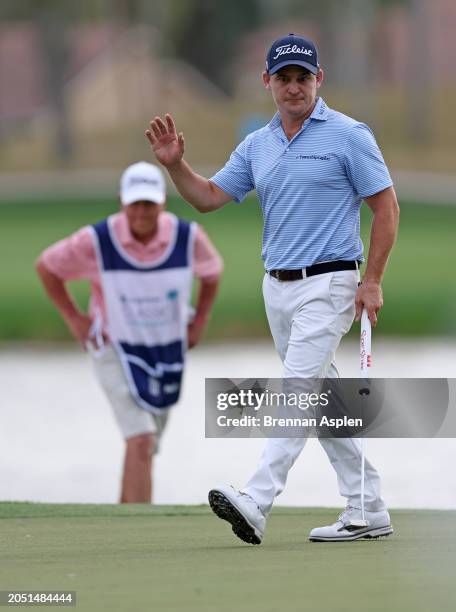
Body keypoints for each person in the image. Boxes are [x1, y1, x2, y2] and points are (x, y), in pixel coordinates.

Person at [145, 33, 399, 542]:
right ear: (268, 83)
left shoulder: (349, 135)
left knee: (298, 393)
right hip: (277, 288)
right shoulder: (257, 145)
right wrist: (175, 166)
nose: (293, 87)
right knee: (324, 398)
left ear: (318, 80)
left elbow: (386, 208)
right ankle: (367, 507)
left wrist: (372, 280)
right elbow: (209, 197)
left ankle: (257, 500)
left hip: (330, 282)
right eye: (283, 78)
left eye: (303, 77)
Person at [36, 161, 223, 503]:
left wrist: (199, 322)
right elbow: (47, 266)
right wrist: (75, 320)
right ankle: (141, 524)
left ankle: (124, 517)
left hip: (166, 351)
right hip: (113, 349)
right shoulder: (97, 240)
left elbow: (212, 272)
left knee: (147, 444)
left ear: (162, 202)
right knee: (141, 437)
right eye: (135, 203)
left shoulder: (187, 236)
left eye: (148, 203)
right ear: (123, 202)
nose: (141, 212)